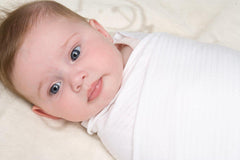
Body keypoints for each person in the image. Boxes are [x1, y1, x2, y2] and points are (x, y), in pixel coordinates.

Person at [1, 1, 240, 160]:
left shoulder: (143, 49)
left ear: (100, 31)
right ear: (49, 113)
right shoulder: (115, 130)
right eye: (55, 88)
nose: (76, 79)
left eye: (75, 54)